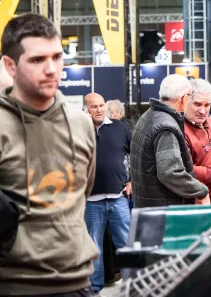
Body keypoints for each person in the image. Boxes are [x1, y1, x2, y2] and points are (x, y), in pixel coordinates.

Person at [0, 13, 98, 296]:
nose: (51, 69)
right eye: (38, 60)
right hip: (12, 285)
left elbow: (82, 192)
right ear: (11, 65)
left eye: (57, 57)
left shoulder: (81, 123)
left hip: (77, 282)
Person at [130, 74, 210, 207]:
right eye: (190, 97)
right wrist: (201, 190)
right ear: (184, 98)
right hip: (163, 208)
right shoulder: (166, 127)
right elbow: (170, 173)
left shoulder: (147, 117)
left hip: (148, 205)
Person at [83, 92, 132, 295]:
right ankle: (94, 289)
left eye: (102, 105)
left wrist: (132, 180)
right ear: (86, 109)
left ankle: (133, 285)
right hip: (90, 201)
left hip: (118, 198)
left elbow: (135, 154)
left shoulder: (119, 128)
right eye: (94, 106)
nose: (99, 109)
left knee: (126, 244)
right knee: (94, 248)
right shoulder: (80, 130)